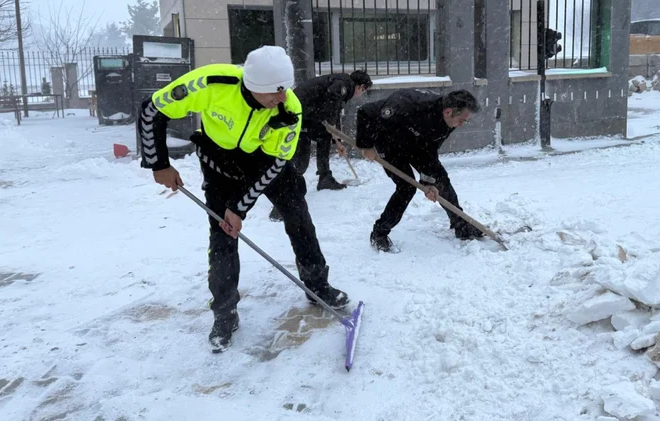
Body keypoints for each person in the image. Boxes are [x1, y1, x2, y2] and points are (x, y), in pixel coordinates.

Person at [138, 45, 350, 353]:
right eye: (275, 92)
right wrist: (159, 162)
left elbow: (276, 163)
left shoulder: (289, 109)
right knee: (222, 235)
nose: (283, 98)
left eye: (286, 89)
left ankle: (317, 286)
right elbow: (152, 109)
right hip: (218, 162)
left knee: (298, 214)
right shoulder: (212, 83)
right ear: (254, 86)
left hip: (265, 162)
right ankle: (224, 313)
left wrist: (240, 206)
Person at [355, 89, 484, 252]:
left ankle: (461, 226)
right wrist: (365, 145)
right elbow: (365, 112)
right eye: (462, 120)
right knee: (406, 187)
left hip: (415, 146)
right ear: (448, 111)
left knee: (441, 179)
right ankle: (379, 233)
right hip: (388, 143)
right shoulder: (409, 105)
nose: (462, 124)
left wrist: (428, 182)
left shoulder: (448, 122)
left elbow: (429, 151)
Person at [269, 70, 373, 221]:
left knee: (324, 136)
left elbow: (335, 114)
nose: (362, 94)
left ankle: (324, 178)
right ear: (361, 87)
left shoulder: (344, 86)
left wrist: (337, 141)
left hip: (309, 114)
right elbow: (332, 101)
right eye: (364, 91)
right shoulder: (343, 85)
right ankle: (281, 202)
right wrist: (332, 128)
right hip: (298, 114)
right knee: (301, 161)